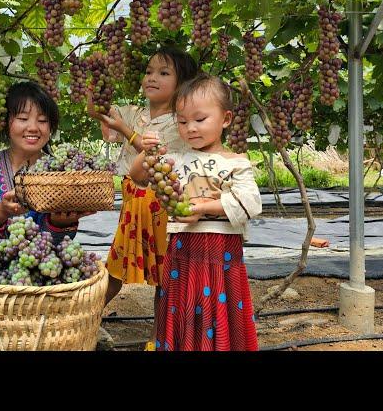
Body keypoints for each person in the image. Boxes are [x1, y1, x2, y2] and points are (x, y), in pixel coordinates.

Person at [130, 73, 262, 351]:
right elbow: (138, 175)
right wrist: (146, 150)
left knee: (219, 313)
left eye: (200, 120)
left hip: (220, 254)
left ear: (225, 120)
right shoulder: (176, 159)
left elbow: (250, 202)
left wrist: (201, 208)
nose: (190, 128)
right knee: (186, 313)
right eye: (182, 121)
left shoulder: (236, 162)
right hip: (184, 252)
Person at [87, 46, 197, 350]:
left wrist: (125, 129)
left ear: (182, 84)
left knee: (165, 274)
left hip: (161, 206)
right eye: (149, 71)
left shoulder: (180, 123)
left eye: (164, 73)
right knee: (116, 267)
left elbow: (156, 160)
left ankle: (157, 337)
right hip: (133, 201)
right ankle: (85, 321)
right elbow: (98, 113)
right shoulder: (134, 113)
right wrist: (96, 76)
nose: (152, 77)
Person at [0, 80, 92, 248]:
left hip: (43, 271)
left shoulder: (61, 172)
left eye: (43, 120)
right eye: (23, 118)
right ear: (5, 121)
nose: (33, 127)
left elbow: (58, 245)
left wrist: (59, 223)